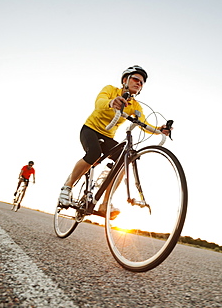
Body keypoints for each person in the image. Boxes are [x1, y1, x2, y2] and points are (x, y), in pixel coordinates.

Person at [58, 65, 170, 217]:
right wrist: (111, 103)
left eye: (142, 83)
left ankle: (105, 203)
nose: (139, 83)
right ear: (125, 80)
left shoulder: (135, 106)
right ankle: (67, 187)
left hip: (108, 137)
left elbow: (144, 123)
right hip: (90, 129)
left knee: (123, 162)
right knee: (94, 154)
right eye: (136, 79)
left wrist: (159, 129)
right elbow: (100, 102)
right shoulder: (110, 90)